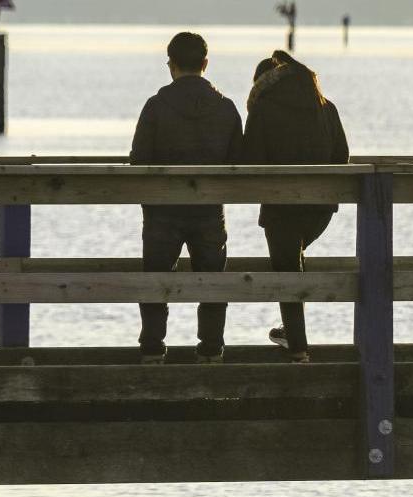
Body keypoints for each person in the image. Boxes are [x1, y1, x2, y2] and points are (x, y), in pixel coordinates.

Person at [129, 32, 245, 364]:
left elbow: (138, 160)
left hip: (161, 211)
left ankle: (152, 349)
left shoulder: (155, 106)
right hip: (209, 210)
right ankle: (211, 350)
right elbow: (239, 160)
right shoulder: (226, 108)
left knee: (155, 281)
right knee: (212, 282)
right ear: (205, 64)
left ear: (172, 65)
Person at [241, 50, 349, 363]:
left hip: (281, 207)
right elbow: (341, 156)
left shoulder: (263, 109)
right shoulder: (325, 106)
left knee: (287, 269)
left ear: (262, 83)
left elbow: (252, 162)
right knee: (293, 264)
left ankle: (298, 349)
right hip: (320, 209)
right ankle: (292, 332)